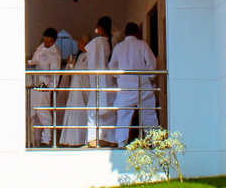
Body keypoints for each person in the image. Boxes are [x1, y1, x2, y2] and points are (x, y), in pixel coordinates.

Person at [110, 22, 158, 144]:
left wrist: (119, 76)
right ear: (137, 32)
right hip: (142, 85)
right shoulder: (142, 45)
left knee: (123, 116)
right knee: (148, 114)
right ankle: (153, 141)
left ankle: (121, 143)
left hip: (125, 87)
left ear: (125, 33)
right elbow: (152, 64)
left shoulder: (118, 47)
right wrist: (149, 77)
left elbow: (112, 66)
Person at [28, 27, 62, 147]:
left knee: (43, 113)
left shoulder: (55, 54)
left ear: (53, 41)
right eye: (45, 40)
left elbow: (55, 74)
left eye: (49, 41)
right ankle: (34, 139)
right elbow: (34, 61)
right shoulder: (41, 48)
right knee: (33, 113)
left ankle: (47, 139)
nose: (46, 43)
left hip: (44, 86)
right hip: (35, 84)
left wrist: (50, 87)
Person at [84, 16, 114, 146]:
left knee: (93, 110)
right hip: (108, 80)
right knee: (109, 111)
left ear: (100, 28)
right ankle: (109, 138)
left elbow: (85, 51)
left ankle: (92, 138)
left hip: (98, 79)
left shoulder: (97, 42)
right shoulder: (109, 42)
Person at [58, 33, 92, 147]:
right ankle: (71, 139)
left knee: (81, 111)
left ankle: (82, 139)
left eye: (82, 43)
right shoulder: (81, 56)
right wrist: (70, 65)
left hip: (83, 87)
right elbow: (76, 70)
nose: (80, 45)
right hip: (75, 87)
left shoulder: (90, 56)